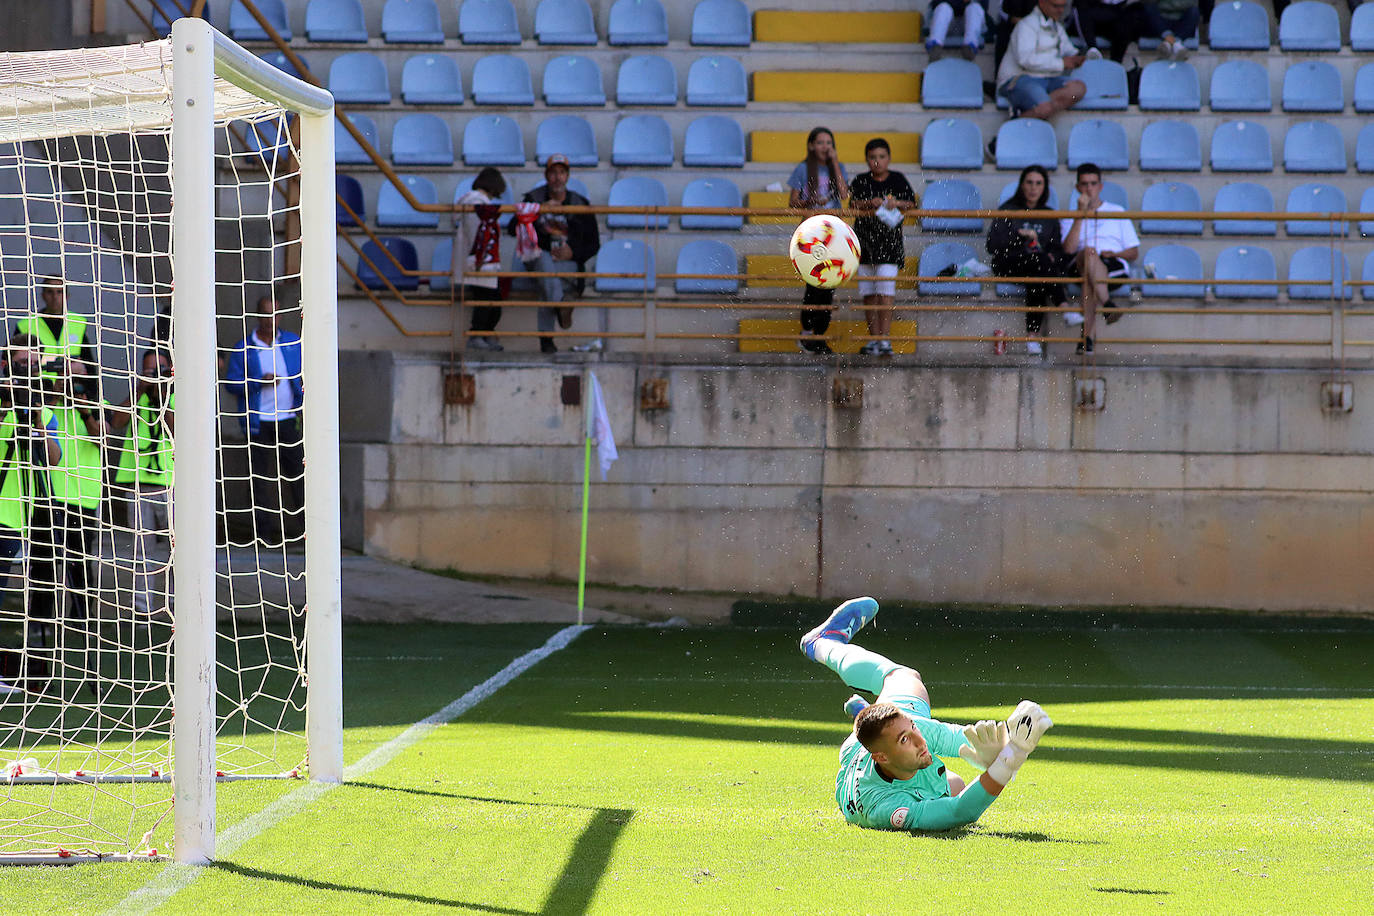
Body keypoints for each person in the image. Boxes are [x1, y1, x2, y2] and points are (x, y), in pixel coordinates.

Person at [800, 597, 1053, 832]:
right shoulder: (885, 807)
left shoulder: (912, 729)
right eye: (904, 739)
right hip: (866, 766)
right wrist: (1010, 758)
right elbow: (960, 812)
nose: (920, 740)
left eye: (912, 729)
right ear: (881, 756)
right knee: (955, 787)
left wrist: (998, 750)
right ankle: (863, 714)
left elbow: (958, 738)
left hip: (862, 747)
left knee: (903, 676)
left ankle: (823, 643)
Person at [0, 337, 64, 695]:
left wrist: (37, 420)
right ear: (7, 367)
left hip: (13, 517)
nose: (29, 371)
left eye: (35, 365)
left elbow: (52, 458)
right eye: (22, 364)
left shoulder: (45, 413)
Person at [223, 295, 304, 547]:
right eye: (266, 314)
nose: (271, 320)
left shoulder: (292, 342)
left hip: (289, 419)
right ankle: (264, 534)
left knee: (298, 476)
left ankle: (306, 532)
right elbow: (231, 384)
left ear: (280, 316)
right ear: (258, 316)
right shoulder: (244, 347)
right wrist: (259, 381)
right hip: (259, 423)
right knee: (258, 480)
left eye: (275, 314)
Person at [508, 154, 601, 354]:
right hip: (538, 260)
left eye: (561, 173)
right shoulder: (533, 199)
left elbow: (594, 244)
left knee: (547, 284)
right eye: (553, 173)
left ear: (567, 176)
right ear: (546, 175)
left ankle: (547, 340)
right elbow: (511, 228)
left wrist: (573, 252)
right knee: (543, 262)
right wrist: (539, 211)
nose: (557, 178)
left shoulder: (580, 203)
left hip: (567, 265)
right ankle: (560, 306)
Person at [108, 348, 175, 620]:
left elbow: (177, 428)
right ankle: (141, 608)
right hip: (138, 484)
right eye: (149, 370)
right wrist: (140, 390)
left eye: (158, 370)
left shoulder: (176, 396)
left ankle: (175, 606)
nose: (153, 376)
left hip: (170, 484)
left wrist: (163, 395)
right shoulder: (136, 398)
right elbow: (116, 421)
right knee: (141, 550)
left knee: (177, 549)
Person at [987, 165, 1067, 356]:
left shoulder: (1049, 215)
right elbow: (992, 246)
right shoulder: (1008, 209)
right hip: (1008, 264)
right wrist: (1020, 236)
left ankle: (1033, 338)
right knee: (1038, 265)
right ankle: (1062, 306)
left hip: (1037, 267)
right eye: (1029, 182)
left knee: (1038, 269)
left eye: (1038, 183)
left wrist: (1046, 253)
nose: (1033, 188)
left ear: (1044, 188)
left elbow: (1058, 250)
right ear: (1022, 185)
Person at [1060, 162, 1139, 354]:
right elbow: (1068, 250)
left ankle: (1086, 338)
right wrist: (1080, 215)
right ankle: (1108, 305)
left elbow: (1133, 252)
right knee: (1088, 252)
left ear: (1100, 186)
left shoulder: (1117, 211)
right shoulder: (1069, 216)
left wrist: (1115, 254)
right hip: (1079, 262)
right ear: (1078, 187)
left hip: (1111, 264)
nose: (1089, 188)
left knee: (1090, 279)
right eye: (1084, 184)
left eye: (1093, 183)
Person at [848, 138, 916, 356]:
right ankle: (874, 339)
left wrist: (896, 203)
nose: (877, 161)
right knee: (868, 292)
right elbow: (852, 204)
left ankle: (884, 339)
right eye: (873, 157)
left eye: (881, 157)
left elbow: (911, 203)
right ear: (867, 159)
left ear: (889, 158)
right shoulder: (860, 180)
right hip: (865, 241)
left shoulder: (898, 179)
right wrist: (870, 202)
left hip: (889, 243)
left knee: (885, 291)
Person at [788, 127, 850, 355]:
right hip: (812, 234)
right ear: (811, 145)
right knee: (813, 284)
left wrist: (834, 164)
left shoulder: (838, 168)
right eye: (820, 143)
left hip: (833, 234)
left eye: (829, 143)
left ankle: (819, 335)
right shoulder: (803, 169)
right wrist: (808, 201)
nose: (825, 147)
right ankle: (807, 333)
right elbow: (792, 203)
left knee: (829, 285)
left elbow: (843, 195)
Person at [995, 0, 1086, 121]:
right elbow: (1025, 60)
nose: (1060, 10)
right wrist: (1061, 63)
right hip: (1019, 79)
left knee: (1078, 90)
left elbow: (1069, 50)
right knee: (1045, 107)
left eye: (1063, 7)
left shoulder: (1057, 27)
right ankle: (1009, 130)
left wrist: (1079, 58)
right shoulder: (1026, 25)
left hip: (1047, 80)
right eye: (1056, 6)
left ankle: (1028, 112)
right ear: (1042, 3)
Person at [456, 167, 509, 352]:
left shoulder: (475, 203)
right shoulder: (478, 205)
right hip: (480, 260)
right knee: (486, 299)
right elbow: (478, 234)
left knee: (490, 299)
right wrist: (480, 258)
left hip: (481, 259)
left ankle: (484, 334)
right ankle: (477, 334)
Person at [14, 275, 97, 385]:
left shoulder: (78, 323)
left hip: (71, 393)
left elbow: (89, 364)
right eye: (50, 292)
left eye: (59, 291)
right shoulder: (25, 325)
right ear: (43, 295)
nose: (55, 297)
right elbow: (14, 363)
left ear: (66, 296)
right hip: (39, 392)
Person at [1073, 0, 1148, 64]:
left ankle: (1115, 65)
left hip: (1117, 14)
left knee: (1125, 23)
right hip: (1092, 15)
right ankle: (1092, 50)